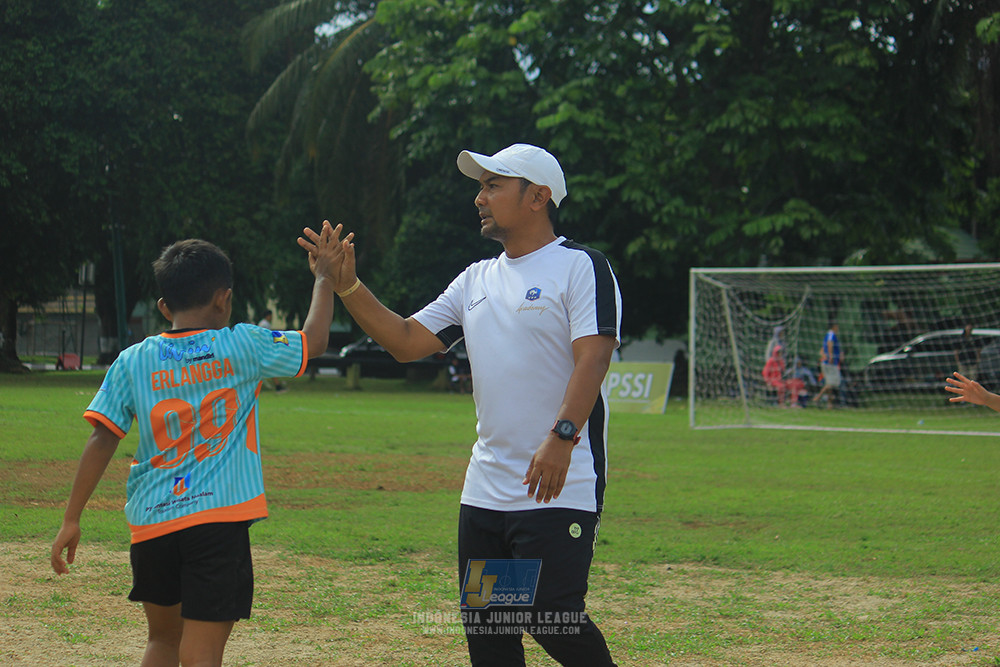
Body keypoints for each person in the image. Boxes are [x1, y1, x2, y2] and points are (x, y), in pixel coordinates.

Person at [303, 143, 620, 666]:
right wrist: (348, 286)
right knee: (491, 631)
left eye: (493, 185)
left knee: (549, 612)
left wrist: (562, 437)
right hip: (488, 486)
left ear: (538, 196)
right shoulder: (475, 280)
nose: (480, 197)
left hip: (560, 481)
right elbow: (406, 340)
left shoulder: (581, 267)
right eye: (480, 186)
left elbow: (594, 356)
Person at [50, 223, 344, 667]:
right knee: (202, 653)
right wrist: (324, 278)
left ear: (164, 305)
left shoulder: (132, 360)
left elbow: (101, 438)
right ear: (224, 297)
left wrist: (71, 518)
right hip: (217, 522)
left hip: (152, 525)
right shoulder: (244, 344)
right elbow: (314, 341)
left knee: (162, 642)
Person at [257, 309, 288, 393]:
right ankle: (278, 386)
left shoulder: (262, 323)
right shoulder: (265, 324)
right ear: (268, 316)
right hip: (264, 349)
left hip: (261, 348)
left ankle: (277, 385)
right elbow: (265, 336)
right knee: (270, 366)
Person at [813, 320, 840, 408]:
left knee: (829, 383)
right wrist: (831, 356)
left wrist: (823, 355)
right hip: (830, 363)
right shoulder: (831, 334)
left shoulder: (827, 335)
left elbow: (821, 349)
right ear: (834, 326)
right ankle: (818, 397)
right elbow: (830, 343)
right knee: (833, 383)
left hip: (825, 362)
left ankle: (829, 404)